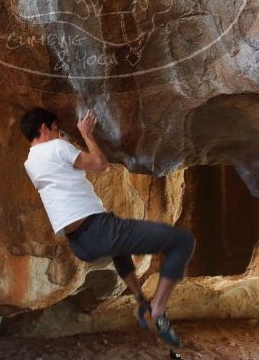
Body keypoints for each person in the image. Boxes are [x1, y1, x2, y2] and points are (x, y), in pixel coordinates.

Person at [20, 107, 195, 347]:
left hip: (80, 244)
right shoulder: (57, 147)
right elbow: (101, 165)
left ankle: (141, 300)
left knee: (118, 246)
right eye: (56, 129)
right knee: (182, 240)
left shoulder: (30, 163)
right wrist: (87, 134)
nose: (60, 134)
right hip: (97, 229)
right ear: (44, 128)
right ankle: (157, 310)